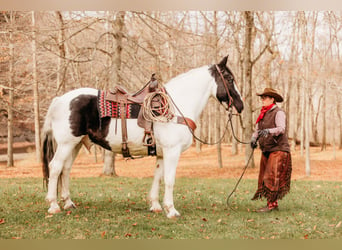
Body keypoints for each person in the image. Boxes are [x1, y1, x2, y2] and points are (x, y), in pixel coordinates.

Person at [250, 87, 292, 213]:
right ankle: (271, 204)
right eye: (261, 98)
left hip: (279, 149)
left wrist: (268, 131)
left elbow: (281, 128)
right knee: (264, 176)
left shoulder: (278, 112)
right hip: (267, 149)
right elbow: (257, 130)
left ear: (272, 99)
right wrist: (253, 139)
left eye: (265, 97)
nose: (262, 100)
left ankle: (272, 205)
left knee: (271, 176)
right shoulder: (262, 113)